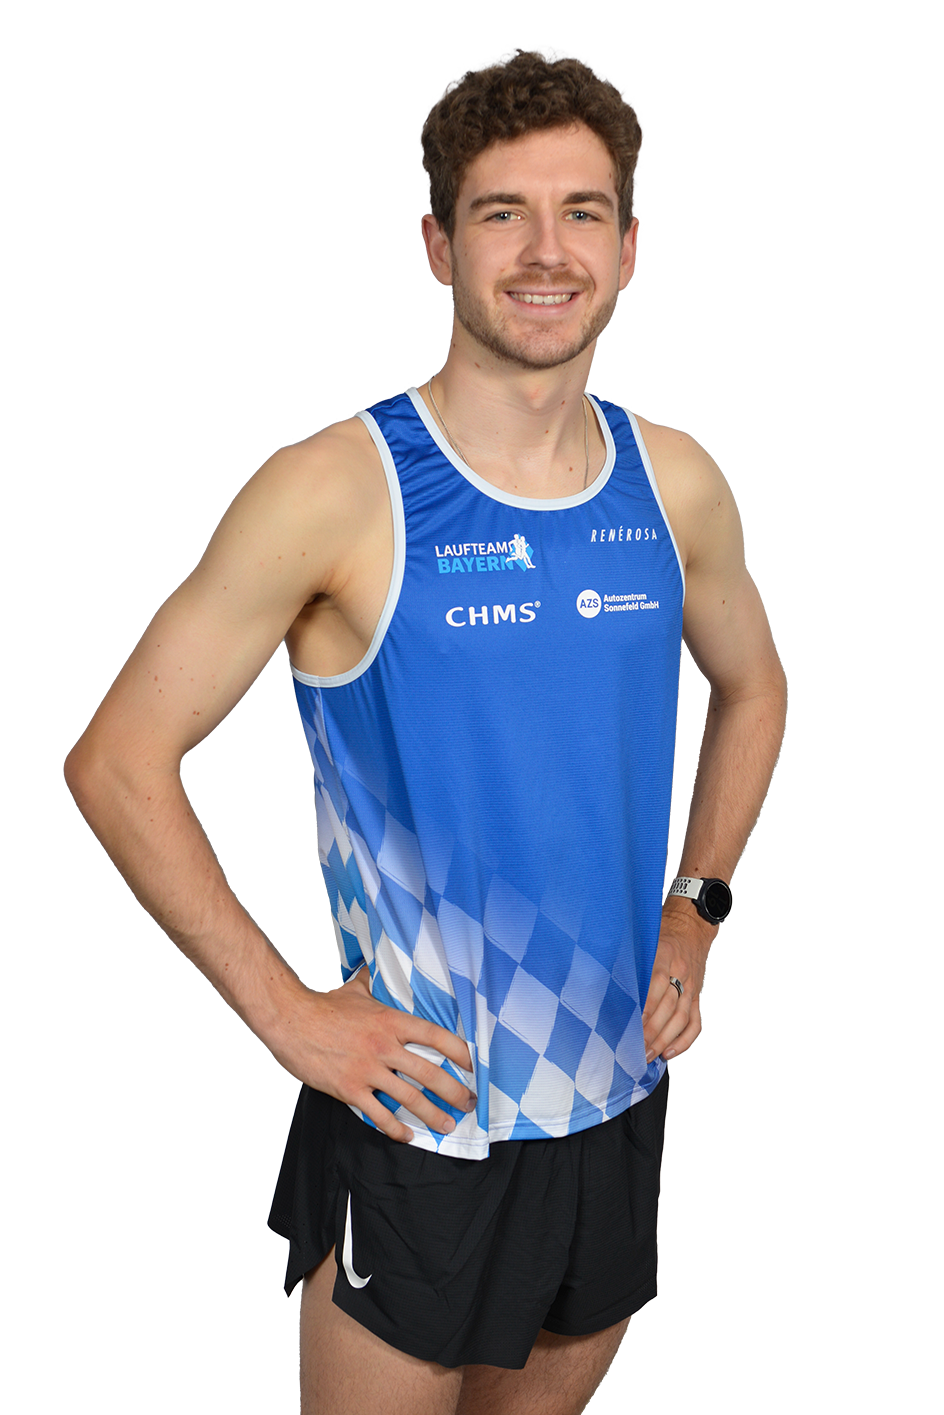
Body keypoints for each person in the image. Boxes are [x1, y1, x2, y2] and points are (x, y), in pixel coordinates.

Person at [65, 47, 785, 1415]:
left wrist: (695, 908)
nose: (546, 250)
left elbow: (755, 688)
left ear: (630, 248)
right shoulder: (336, 491)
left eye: (581, 212)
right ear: (440, 244)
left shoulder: (675, 484)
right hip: (425, 1111)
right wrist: (290, 1018)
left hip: (617, 1090)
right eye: (503, 212)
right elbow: (114, 761)